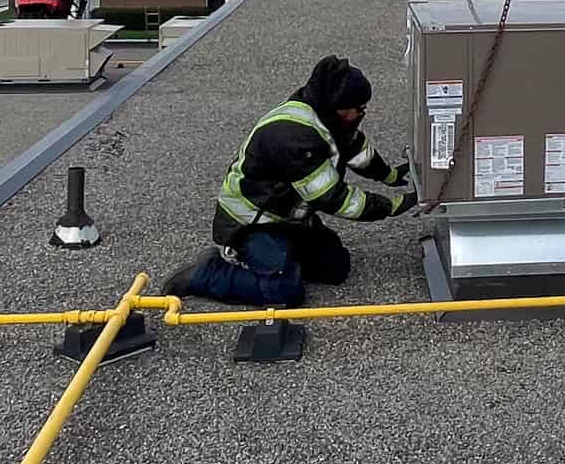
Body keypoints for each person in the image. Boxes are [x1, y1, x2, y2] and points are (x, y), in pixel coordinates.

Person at [165, 55, 415, 303]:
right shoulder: (295, 137)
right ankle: (209, 273)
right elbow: (333, 198)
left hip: (287, 218)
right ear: (338, 106)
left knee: (335, 267)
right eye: (358, 108)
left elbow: (357, 150)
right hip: (252, 222)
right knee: (285, 290)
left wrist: (391, 175)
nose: (362, 113)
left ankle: (276, 258)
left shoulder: (328, 116)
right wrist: (389, 207)